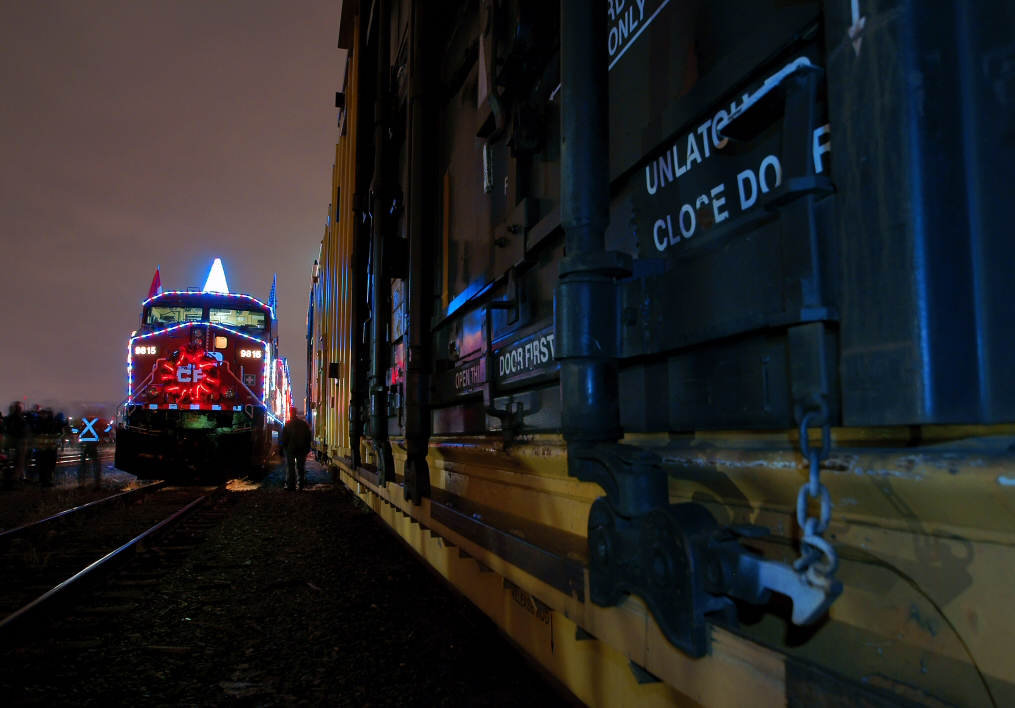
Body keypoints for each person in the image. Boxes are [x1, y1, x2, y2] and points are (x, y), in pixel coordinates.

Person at [279, 407, 312, 491]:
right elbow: (308, 437)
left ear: (290, 413)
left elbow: (284, 437)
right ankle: (301, 485)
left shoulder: (288, 424)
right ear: (296, 413)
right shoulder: (303, 424)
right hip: (301, 448)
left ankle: (291, 485)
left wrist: (282, 448)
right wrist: (307, 447)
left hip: (291, 449)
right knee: (301, 467)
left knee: (291, 467)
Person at [4, 402, 29, 489]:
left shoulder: (9, 418)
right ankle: (16, 477)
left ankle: (21, 476)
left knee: (17, 460)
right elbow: (25, 430)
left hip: (11, 441)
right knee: (20, 460)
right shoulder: (21, 419)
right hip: (20, 441)